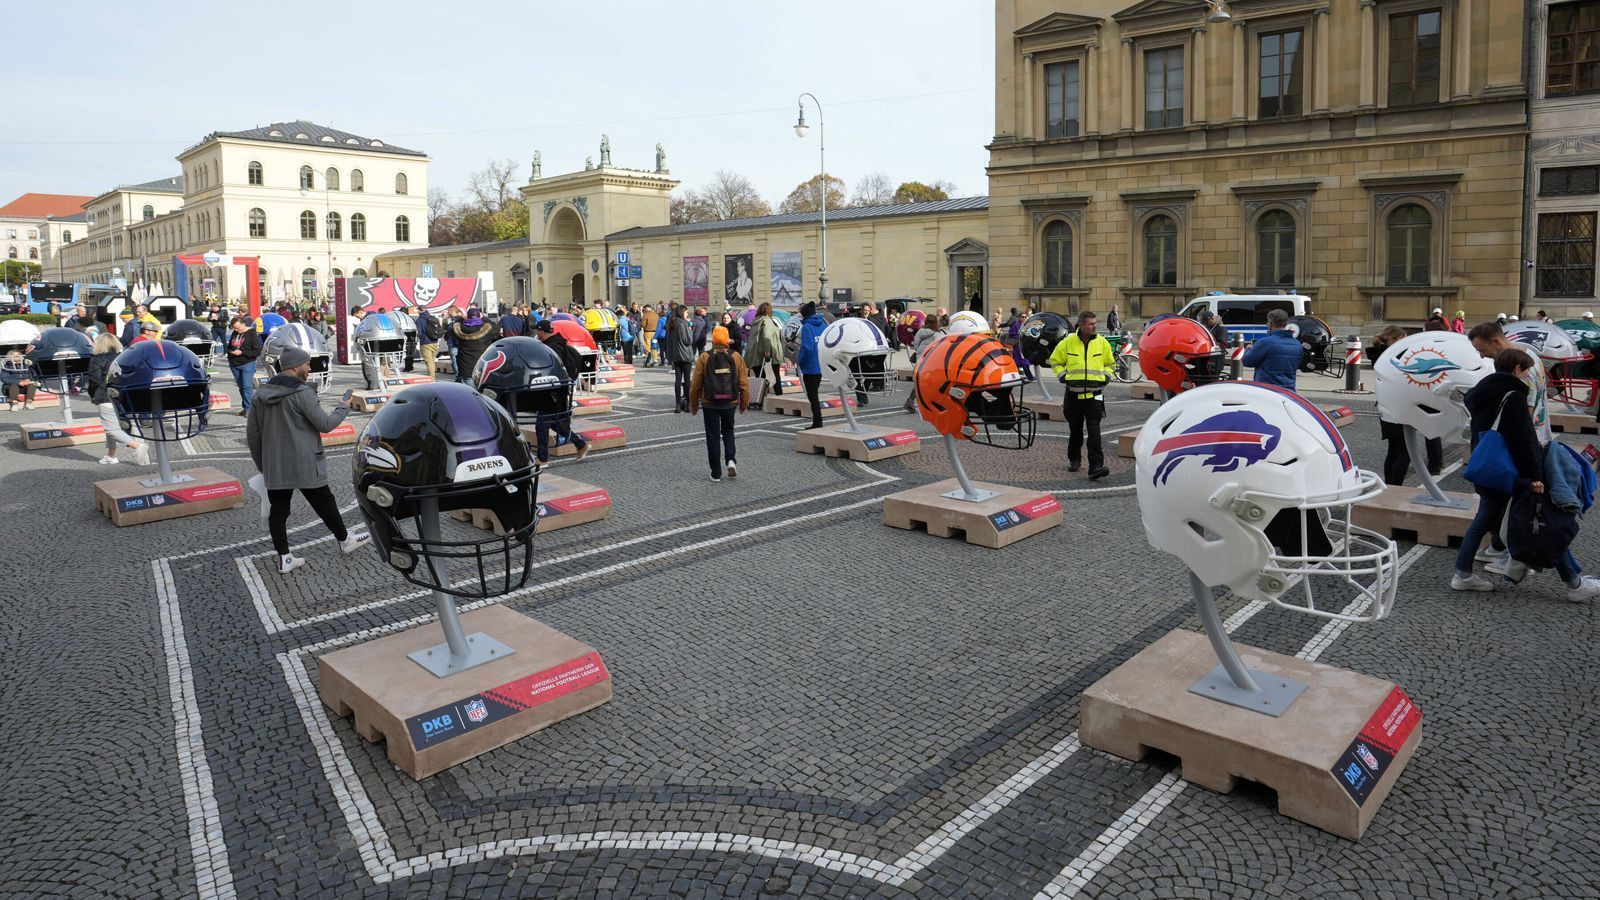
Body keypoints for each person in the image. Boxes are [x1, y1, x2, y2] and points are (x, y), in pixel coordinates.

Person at [1451, 348, 1600, 601]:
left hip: (1489, 467)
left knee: (1484, 521)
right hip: (1511, 471)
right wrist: (1534, 476)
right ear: (1517, 369)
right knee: (1547, 521)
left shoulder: (1481, 391)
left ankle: (1463, 574)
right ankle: (1574, 583)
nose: (1529, 373)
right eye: (1527, 369)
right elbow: (1523, 439)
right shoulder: (1514, 395)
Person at [247, 347, 370, 574]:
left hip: (275, 464)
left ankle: (284, 557)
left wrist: (262, 465)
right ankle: (345, 540)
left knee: (278, 511)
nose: (309, 368)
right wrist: (343, 406)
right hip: (305, 462)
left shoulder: (260, 394)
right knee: (324, 502)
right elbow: (325, 424)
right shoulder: (303, 393)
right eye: (306, 364)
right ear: (295, 367)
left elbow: (252, 435)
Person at [1371, 325, 1442, 485]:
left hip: (1385, 404)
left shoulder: (1380, 354)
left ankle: (1390, 485)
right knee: (1404, 452)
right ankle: (1396, 487)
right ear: (1393, 339)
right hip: (1398, 406)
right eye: (1402, 340)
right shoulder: (1392, 357)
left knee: (1394, 449)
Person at [1048, 310, 1115, 479]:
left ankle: (1096, 467)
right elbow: (1054, 360)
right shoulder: (1068, 342)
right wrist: (1062, 375)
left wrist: (1106, 376)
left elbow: (1110, 364)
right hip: (1073, 396)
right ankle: (1074, 459)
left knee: (1094, 431)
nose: (1095, 326)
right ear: (1081, 325)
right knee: (1075, 430)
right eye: (1091, 323)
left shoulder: (1102, 343)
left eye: (1095, 323)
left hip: (1094, 395)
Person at [688, 325, 750, 482]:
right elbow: (744, 382)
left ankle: (716, 472)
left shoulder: (704, 357)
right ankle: (731, 460)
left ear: (714, 339)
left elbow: (695, 384)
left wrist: (693, 404)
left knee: (713, 436)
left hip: (709, 402)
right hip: (731, 401)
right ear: (727, 339)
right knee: (729, 431)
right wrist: (744, 402)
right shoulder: (736, 357)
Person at [531, 320, 591, 466]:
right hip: (558, 391)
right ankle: (581, 444)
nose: (536, 334)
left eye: (537, 331)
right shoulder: (556, 344)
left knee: (542, 423)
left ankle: (542, 459)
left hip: (553, 392)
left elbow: (551, 370)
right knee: (556, 424)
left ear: (542, 332)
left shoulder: (552, 348)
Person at [83, 333, 147, 465]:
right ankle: (111, 455)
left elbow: (94, 380)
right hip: (123, 396)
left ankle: (137, 446)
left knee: (111, 428)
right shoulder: (122, 357)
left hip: (105, 396)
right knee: (113, 426)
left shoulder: (96, 359)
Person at [1241, 309, 1302, 390]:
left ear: (1270, 324)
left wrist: (1248, 349)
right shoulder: (1297, 344)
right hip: (1288, 391)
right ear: (1286, 323)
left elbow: (1247, 361)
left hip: (1268, 390)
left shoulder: (1265, 342)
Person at [904, 314, 948, 412]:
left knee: (920, 382)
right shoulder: (938, 333)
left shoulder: (920, 332)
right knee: (935, 382)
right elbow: (939, 348)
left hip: (921, 359)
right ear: (936, 323)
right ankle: (935, 403)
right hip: (932, 361)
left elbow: (915, 346)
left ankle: (911, 401)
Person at [797, 301, 828, 429]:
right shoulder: (823, 324)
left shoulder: (807, 327)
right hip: (820, 364)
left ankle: (817, 422)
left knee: (812, 396)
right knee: (815, 394)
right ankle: (818, 421)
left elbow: (807, 348)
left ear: (804, 315)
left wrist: (800, 362)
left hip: (810, 367)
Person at [448, 306, 498, 384]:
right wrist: (484, 318)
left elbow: (452, 329)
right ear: (479, 316)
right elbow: (496, 327)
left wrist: (461, 318)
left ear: (467, 316)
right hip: (482, 364)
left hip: (466, 365)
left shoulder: (459, 329)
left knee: (471, 392)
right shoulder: (486, 329)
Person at [225, 315, 261, 414]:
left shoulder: (252, 334)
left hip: (247, 363)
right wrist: (230, 353)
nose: (236, 330)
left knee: (247, 386)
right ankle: (245, 407)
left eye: (238, 327)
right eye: (234, 328)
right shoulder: (235, 333)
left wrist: (242, 353)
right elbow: (229, 346)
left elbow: (257, 351)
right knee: (241, 386)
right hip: (234, 363)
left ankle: (250, 409)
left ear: (243, 324)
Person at [666, 304, 695, 412]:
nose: (687, 314)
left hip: (675, 355)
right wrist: (690, 329)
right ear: (682, 312)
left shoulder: (671, 323)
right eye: (686, 312)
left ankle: (678, 405)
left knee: (677, 380)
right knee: (687, 380)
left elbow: (668, 341)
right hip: (685, 355)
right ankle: (688, 404)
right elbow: (688, 341)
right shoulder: (683, 324)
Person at [414, 304, 440, 378]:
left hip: (425, 343)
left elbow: (419, 333)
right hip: (434, 342)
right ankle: (433, 376)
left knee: (429, 362)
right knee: (432, 361)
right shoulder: (433, 318)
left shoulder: (419, 320)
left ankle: (432, 379)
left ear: (419, 311)